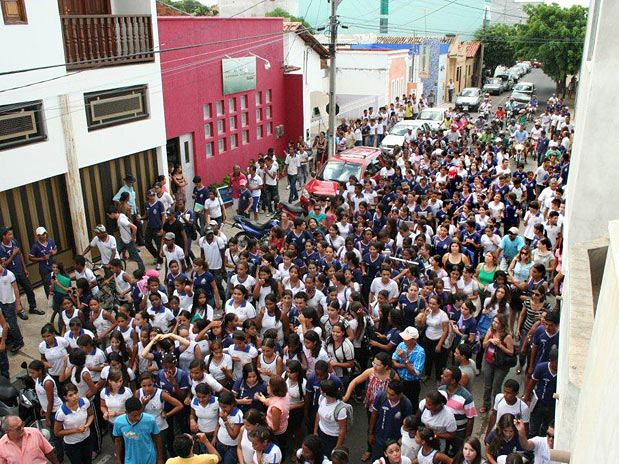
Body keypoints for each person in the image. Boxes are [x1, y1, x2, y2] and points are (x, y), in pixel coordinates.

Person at [0, 226, 41, 318]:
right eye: (9, 234)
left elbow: (20, 254)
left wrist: (24, 268)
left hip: (20, 271)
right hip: (11, 274)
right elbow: (4, 264)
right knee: (15, 292)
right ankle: (19, 310)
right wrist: (13, 254)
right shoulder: (1, 249)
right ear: (3, 236)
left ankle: (33, 307)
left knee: (29, 289)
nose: (11, 236)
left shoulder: (14, 242)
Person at [368, 379, 413, 462]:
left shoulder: (406, 404)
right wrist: (370, 433)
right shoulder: (381, 396)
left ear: (399, 395)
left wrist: (402, 438)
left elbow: (408, 424)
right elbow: (374, 415)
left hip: (395, 441)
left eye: (392, 395)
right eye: (387, 392)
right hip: (379, 438)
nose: (388, 396)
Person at [114, 397, 163, 464]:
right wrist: (118, 459)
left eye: (139, 414)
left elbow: (157, 438)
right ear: (126, 412)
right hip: (130, 460)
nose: (137, 418)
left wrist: (160, 458)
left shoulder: (150, 420)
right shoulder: (118, 422)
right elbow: (118, 441)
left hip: (149, 459)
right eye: (134, 415)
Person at [53, 382, 94, 464]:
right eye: (71, 395)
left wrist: (87, 425)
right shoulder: (61, 413)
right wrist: (76, 430)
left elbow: (91, 415)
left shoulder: (85, 402)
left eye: (75, 393)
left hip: (86, 439)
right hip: (72, 444)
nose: (75, 397)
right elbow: (57, 432)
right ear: (65, 397)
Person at [391, 326, 425, 410]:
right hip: (399, 379)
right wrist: (406, 366)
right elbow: (393, 362)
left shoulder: (420, 352)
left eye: (407, 339)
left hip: (412, 384)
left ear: (414, 340)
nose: (404, 340)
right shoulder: (401, 345)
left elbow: (415, 373)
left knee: (411, 405)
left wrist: (404, 359)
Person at [107, 206, 145, 272]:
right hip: (123, 239)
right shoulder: (121, 216)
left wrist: (133, 237)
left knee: (136, 257)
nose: (109, 217)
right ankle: (117, 269)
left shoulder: (121, 220)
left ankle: (142, 270)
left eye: (109, 215)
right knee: (116, 253)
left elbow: (134, 227)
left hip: (128, 241)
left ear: (112, 213)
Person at [0, 261, 25, 353]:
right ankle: (10, 338)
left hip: (10, 302)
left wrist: (18, 303)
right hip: (1, 302)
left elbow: (16, 289)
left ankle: (19, 341)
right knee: (4, 323)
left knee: (13, 324)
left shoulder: (9, 274)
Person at [28, 226, 57, 298]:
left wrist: (54, 252)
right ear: (38, 236)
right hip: (44, 268)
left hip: (53, 265)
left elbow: (55, 249)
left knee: (56, 281)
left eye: (45, 234)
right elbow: (30, 257)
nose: (44, 236)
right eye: (42, 234)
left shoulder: (50, 241)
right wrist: (41, 258)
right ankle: (50, 299)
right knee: (47, 284)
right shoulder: (35, 246)